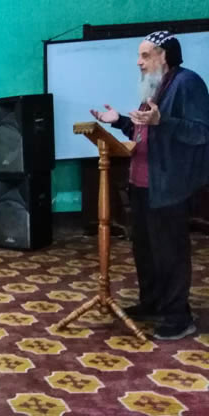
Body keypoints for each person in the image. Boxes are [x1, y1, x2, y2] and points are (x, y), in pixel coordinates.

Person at [90, 31, 209, 340]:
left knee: (169, 253)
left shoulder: (187, 83)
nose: (138, 62)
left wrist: (161, 121)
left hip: (168, 186)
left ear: (164, 56)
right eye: (139, 56)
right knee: (146, 250)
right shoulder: (154, 86)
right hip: (141, 185)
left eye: (145, 55)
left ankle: (178, 317)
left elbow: (201, 133)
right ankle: (153, 303)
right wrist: (118, 121)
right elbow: (143, 133)